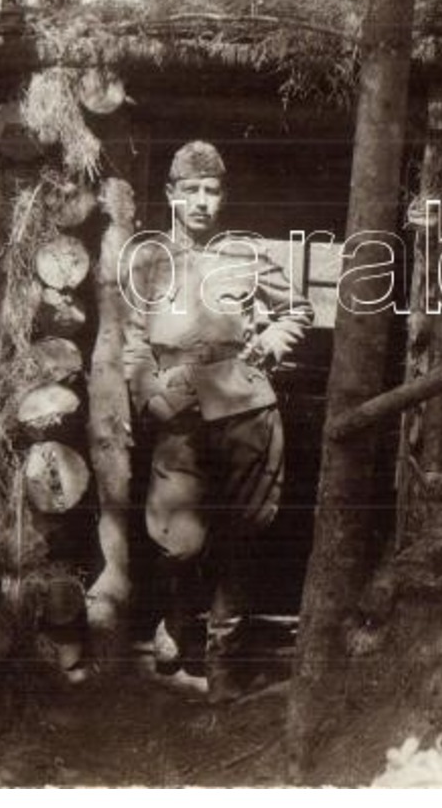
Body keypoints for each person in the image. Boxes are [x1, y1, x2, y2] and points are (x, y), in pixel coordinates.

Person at [121, 140, 313, 702]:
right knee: (178, 541)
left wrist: (269, 345)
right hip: (176, 409)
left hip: (242, 404)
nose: (203, 202)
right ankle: (177, 619)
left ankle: (223, 663)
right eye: (192, 192)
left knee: (242, 534)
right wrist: (148, 396)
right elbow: (133, 343)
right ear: (171, 196)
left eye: (212, 191)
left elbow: (295, 310)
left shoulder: (246, 253)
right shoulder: (150, 261)